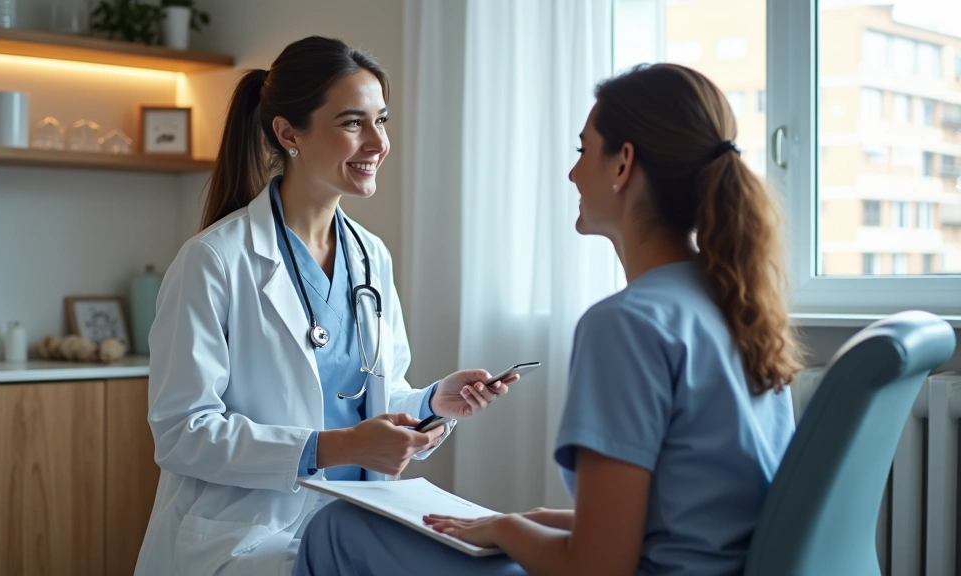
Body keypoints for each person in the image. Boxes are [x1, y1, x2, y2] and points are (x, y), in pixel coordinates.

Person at [293, 62, 804, 576]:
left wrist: (507, 529)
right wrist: (531, 519)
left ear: (623, 164)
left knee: (338, 529)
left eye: (583, 151)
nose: (573, 172)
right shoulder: (733, 301)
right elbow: (684, 513)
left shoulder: (628, 324)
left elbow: (598, 567)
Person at [135, 36, 521, 576]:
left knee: (498, 562)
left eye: (380, 121)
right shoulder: (215, 261)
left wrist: (434, 403)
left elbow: (369, 398)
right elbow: (183, 434)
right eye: (352, 123)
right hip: (251, 534)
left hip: (359, 517)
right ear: (288, 132)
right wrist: (335, 447)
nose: (378, 142)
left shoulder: (370, 256)